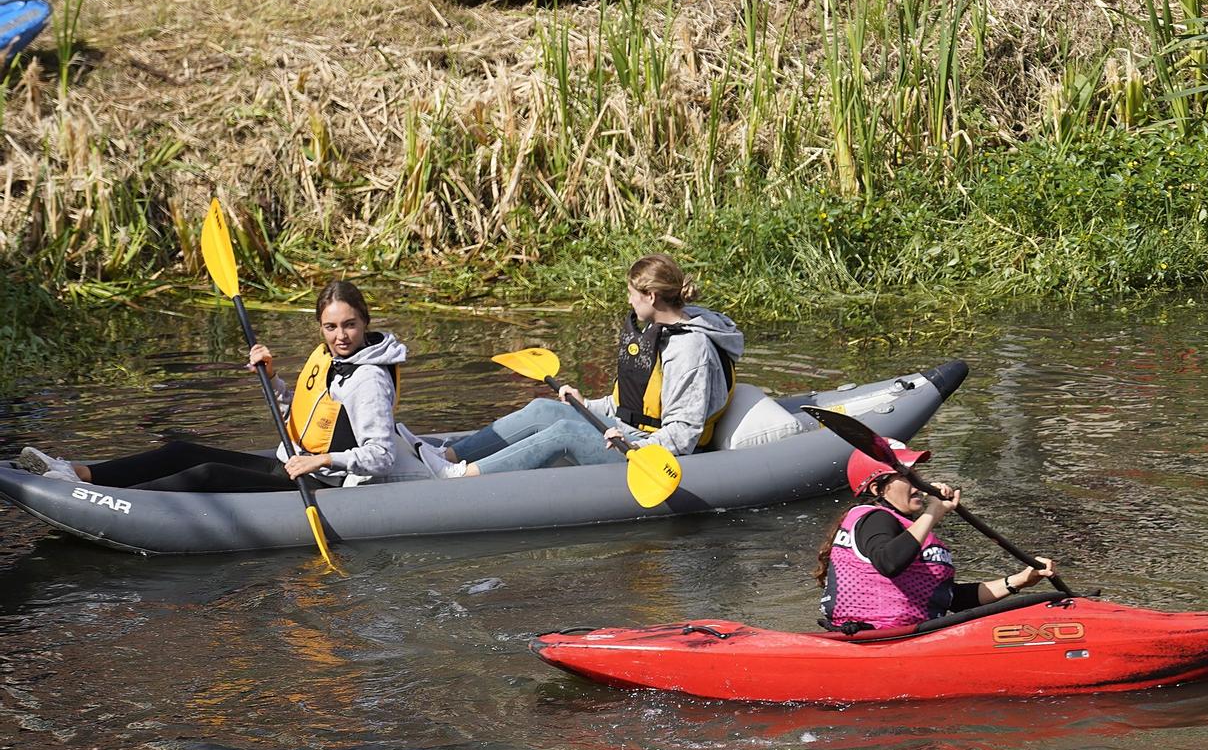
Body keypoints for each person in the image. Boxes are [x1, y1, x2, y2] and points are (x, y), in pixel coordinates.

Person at [12, 281, 431, 491]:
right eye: (331, 326)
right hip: (299, 462)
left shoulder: (370, 377)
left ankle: (110, 502)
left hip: (327, 483)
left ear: (365, 322)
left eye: (350, 325)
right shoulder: (331, 358)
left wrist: (320, 463)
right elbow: (305, 412)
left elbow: (380, 457)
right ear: (321, 326)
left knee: (207, 473)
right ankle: (77, 473)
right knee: (181, 451)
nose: (341, 335)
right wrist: (273, 380)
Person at [441, 254, 743, 477]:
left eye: (632, 295)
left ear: (651, 296)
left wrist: (630, 444)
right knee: (542, 409)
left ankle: (462, 479)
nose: (629, 301)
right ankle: (445, 456)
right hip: (630, 431)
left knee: (564, 433)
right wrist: (589, 405)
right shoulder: (658, 332)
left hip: (653, 451)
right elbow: (629, 402)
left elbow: (682, 435)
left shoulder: (689, 350)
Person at [815, 443, 1057, 630]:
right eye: (908, 477)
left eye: (917, 475)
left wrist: (1020, 580)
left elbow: (953, 598)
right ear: (878, 489)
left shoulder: (907, 529)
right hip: (877, 638)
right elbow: (888, 563)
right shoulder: (876, 518)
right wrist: (934, 511)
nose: (919, 485)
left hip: (913, 635)